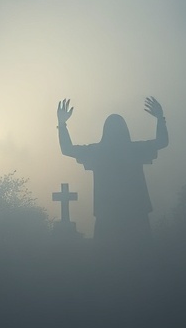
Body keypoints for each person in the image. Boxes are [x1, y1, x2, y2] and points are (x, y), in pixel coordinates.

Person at [56, 96, 168, 246]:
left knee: (107, 261)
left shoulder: (98, 152)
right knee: (140, 257)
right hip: (135, 213)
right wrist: (160, 118)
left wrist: (62, 124)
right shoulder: (134, 150)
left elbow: (67, 149)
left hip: (107, 214)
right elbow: (161, 142)